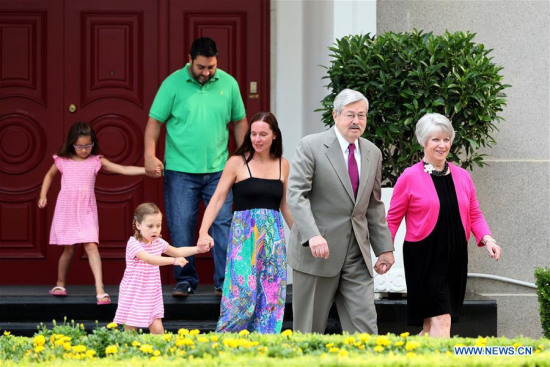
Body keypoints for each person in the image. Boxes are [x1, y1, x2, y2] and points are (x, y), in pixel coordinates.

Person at [144, 37, 248, 297]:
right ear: (189, 60)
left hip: (219, 170)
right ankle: (185, 280)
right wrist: (149, 154)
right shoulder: (172, 84)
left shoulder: (229, 83)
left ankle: (224, 282)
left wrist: (246, 157)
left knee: (223, 224)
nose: (206, 72)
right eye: (201, 67)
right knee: (181, 225)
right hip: (180, 171)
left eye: (211, 67)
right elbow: (154, 122)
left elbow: (239, 122)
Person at [287, 89, 395, 334]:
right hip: (317, 253)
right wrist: (312, 234)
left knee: (366, 331)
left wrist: (384, 248)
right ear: (335, 115)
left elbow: (374, 204)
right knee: (308, 334)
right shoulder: (311, 146)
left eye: (362, 115)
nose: (356, 121)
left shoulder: (373, 152)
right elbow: (296, 194)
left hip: (357, 254)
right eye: (350, 115)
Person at [386, 113, 502, 338]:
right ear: (423, 142)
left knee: (431, 327)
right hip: (424, 256)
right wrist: (385, 252)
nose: (442, 145)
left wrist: (488, 239)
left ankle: (411, 359)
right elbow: (392, 219)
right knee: (442, 319)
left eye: (446, 139)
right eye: (435, 140)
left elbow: (475, 214)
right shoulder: (409, 177)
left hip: (455, 257)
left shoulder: (463, 177)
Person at [197, 112, 293, 333]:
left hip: (273, 240)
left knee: (271, 296)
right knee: (242, 295)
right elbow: (218, 198)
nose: (257, 139)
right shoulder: (236, 162)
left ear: (275, 136)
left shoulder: (283, 165)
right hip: (245, 239)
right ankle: (226, 345)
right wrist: (204, 231)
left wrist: (301, 237)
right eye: (253, 134)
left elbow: (285, 205)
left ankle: (265, 348)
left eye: (263, 134)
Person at [38, 122, 148, 305]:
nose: (83, 150)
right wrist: (43, 195)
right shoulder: (62, 161)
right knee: (69, 248)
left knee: (91, 246)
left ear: (93, 143)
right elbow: (49, 175)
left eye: (87, 146)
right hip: (67, 209)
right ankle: (60, 284)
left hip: (86, 209)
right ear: (72, 143)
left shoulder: (96, 161)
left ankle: (100, 289)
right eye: (79, 146)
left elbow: (122, 169)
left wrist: (147, 170)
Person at [113, 202, 211, 334]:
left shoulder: (158, 242)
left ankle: (161, 350)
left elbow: (177, 251)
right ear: (138, 225)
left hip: (151, 291)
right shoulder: (133, 244)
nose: (155, 230)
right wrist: (173, 261)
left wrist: (198, 249)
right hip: (134, 291)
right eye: (150, 226)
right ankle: (128, 351)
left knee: (156, 323)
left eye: (158, 225)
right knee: (131, 325)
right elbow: (149, 259)